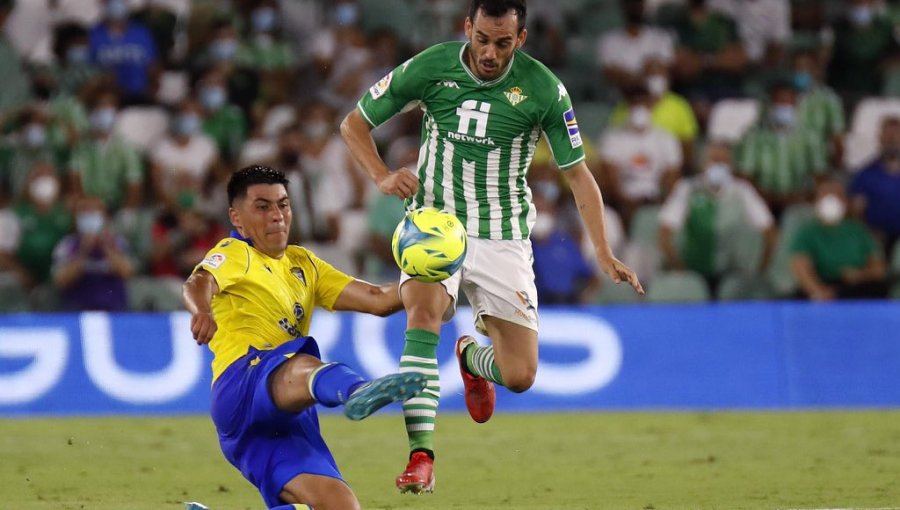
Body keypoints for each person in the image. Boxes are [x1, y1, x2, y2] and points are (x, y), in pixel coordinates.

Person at [340, 0, 643, 494]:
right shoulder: (431, 66)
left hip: (503, 233)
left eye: (503, 42)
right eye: (482, 38)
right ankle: (421, 456)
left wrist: (603, 253)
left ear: (520, 38)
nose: (489, 52)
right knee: (422, 317)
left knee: (520, 374)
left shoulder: (544, 88)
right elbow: (353, 124)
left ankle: (471, 358)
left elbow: (579, 177)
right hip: (435, 225)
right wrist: (380, 175)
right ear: (468, 28)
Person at [182, 165, 428, 510]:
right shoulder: (237, 253)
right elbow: (198, 282)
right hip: (243, 386)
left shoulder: (304, 264)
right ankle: (357, 391)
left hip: (289, 415)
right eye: (263, 207)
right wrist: (201, 311)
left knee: (340, 506)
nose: (277, 216)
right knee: (300, 361)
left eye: (283, 205)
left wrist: (431, 276)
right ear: (237, 218)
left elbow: (378, 299)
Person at [790, 176, 887, 301]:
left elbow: (879, 269)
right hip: (823, 285)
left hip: (856, 287)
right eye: (825, 195)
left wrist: (860, 275)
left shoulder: (859, 231)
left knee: (877, 289)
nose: (831, 199)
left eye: (836, 195)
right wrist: (818, 291)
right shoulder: (807, 233)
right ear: (816, 200)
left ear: (845, 201)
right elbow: (801, 267)